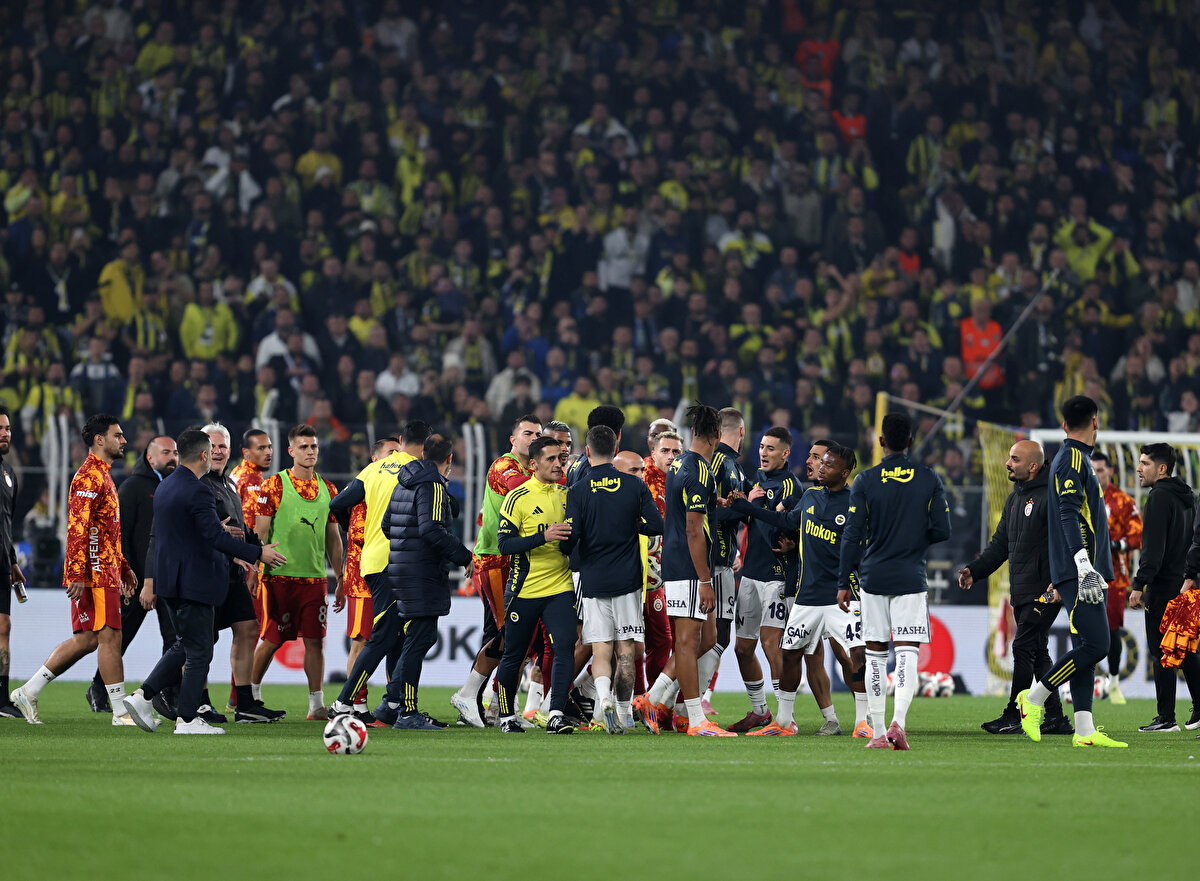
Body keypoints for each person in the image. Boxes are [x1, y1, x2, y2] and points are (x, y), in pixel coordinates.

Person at [123, 429, 284, 734]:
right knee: (199, 652)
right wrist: (258, 552)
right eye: (212, 450)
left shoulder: (167, 485)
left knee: (186, 645)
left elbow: (179, 533)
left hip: (171, 581)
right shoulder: (199, 490)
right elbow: (214, 537)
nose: (215, 455)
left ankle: (144, 696)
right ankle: (187, 718)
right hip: (193, 580)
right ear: (203, 455)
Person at [728, 444, 870, 737]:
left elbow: (860, 550)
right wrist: (747, 508)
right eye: (822, 463)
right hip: (806, 595)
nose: (821, 468)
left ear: (844, 473)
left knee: (855, 654)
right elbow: (784, 521)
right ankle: (783, 722)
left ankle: (864, 722)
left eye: (828, 465)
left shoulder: (856, 503)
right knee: (790, 654)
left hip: (842, 595)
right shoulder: (810, 496)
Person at [11, 414, 140, 726]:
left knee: (87, 640)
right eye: (117, 435)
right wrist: (77, 575)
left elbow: (106, 531)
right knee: (110, 636)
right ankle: (121, 711)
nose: (123, 440)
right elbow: (78, 529)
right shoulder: (89, 478)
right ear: (100, 440)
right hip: (94, 572)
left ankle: (29, 691)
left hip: (104, 568)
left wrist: (123, 567)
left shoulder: (105, 476)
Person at [1016, 395, 1125, 748]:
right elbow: (1066, 512)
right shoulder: (1072, 458)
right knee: (1098, 646)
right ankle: (1031, 700)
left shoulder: (1074, 459)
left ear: (1065, 424)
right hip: (1082, 571)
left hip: (1082, 569)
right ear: (1096, 421)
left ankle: (1084, 729)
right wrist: (1082, 566)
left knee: (1084, 647)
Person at [838, 412, 951, 750]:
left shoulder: (866, 481)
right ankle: (898, 724)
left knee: (875, 654)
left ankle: (876, 733)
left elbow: (852, 534)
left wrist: (844, 580)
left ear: (881, 441)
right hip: (910, 577)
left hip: (873, 577)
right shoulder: (929, 478)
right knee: (906, 654)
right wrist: (913, 538)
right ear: (911, 441)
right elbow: (942, 530)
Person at [959, 440, 1071, 736]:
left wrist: (1057, 582)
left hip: (1046, 589)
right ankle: (1056, 717)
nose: (1008, 463)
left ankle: (1015, 714)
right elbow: (1000, 547)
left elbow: (1066, 543)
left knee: (1023, 646)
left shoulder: (1052, 497)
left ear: (1033, 466)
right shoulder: (1014, 499)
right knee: (1037, 650)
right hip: (1022, 588)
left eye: (1015, 459)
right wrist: (975, 571)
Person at [562, 426, 663, 733]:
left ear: (588, 451)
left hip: (593, 578)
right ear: (616, 446)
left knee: (601, 648)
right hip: (628, 580)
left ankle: (602, 700)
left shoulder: (578, 490)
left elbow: (570, 539)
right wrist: (632, 523)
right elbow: (655, 524)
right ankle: (624, 713)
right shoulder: (634, 486)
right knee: (627, 650)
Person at [369, 435, 474, 729]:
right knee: (418, 640)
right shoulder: (434, 485)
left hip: (400, 569)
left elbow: (388, 525)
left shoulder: (404, 482)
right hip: (422, 572)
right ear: (449, 459)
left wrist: (406, 547)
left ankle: (391, 705)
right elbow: (431, 529)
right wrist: (464, 555)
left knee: (421, 637)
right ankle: (407, 712)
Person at [645, 403, 733, 736]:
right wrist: (706, 580)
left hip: (679, 559)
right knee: (687, 641)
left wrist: (718, 503)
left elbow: (688, 511)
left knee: (708, 638)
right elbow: (694, 529)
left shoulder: (679, 463)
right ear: (717, 435)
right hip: (689, 566)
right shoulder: (698, 469)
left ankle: (652, 699)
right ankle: (696, 719)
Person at [327, 428, 423, 722]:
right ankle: (353, 703)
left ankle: (393, 704)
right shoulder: (373, 488)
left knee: (394, 638)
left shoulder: (374, 484)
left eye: (398, 451)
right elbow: (343, 517)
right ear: (375, 456)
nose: (395, 458)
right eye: (389, 452)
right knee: (366, 639)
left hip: (376, 567)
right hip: (367, 574)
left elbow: (338, 507)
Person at [450, 414, 540, 727]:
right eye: (527, 433)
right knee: (511, 635)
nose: (533, 438)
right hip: (496, 559)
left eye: (537, 434)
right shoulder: (506, 467)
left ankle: (495, 706)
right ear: (513, 439)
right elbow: (524, 492)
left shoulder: (532, 469)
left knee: (509, 635)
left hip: (515, 559)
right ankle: (474, 696)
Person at [249, 424, 343, 720]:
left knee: (315, 642)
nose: (310, 451)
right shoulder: (274, 485)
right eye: (303, 447)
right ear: (291, 451)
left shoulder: (329, 489)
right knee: (272, 640)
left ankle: (316, 705)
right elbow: (259, 531)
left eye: (314, 446)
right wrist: (253, 567)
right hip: (278, 577)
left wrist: (340, 577)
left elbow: (334, 539)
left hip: (314, 580)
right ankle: (249, 696)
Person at [85, 436, 179, 714]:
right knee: (119, 639)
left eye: (175, 452)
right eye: (166, 453)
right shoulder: (133, 487)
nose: (173, 457)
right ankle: (98, 688)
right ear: (150, 458)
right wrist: (126, 574)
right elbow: (119, 535)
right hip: (136, 580)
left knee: (174, 639)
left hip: (168, 577)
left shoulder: (173, 487)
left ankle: (169, 693)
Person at [494, 436, 577, 734]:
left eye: (561, 458)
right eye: (551, 459)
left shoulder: (568, 495)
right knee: (514, 654)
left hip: (560, 587)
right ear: (533, 464)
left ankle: (554, 713)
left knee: (565, 647)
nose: (558, 464)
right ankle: (506, 716)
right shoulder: (517, 497)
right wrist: (544, 536)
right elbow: (504, 545)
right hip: (524, 589)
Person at [728, 426, 800, 732]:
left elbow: (775, 527)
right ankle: (760, 711)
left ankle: (787, 718)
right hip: (750, 575)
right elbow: (744, 517)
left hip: (777, 576)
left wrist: (750, 504)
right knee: (742, 648)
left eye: (771, 448)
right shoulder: (753, 479)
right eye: (761, 446)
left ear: (785, 453)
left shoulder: (790, 487)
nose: (763, 452)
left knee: (772, 643)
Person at [1129, 443, 1200, 732]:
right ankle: (1192, 711)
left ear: (1161, 469)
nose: (1138, 468)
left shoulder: (1158, 497)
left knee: (1162, 652)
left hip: (1162, 585)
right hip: (1183, 582)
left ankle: (1166, 717)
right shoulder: (1187, 496)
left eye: (1145, 463)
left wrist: (1139, 584)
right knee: (1182, 650)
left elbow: (1153, 549)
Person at [1091, 450, 1142, 705]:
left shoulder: (1123, 501)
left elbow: (1138, 535)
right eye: (1092, 470)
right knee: (1082, 628)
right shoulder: (1080, 498)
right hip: (1084, 573)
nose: (1096, 474)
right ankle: (1084, 681)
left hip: (1114, 577)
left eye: (1100, 470)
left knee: (1112, 630)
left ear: (1109, 471)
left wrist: (1116, 545)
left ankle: (1113, 683)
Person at [708, 408, 747, 708]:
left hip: (725, 559)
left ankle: (687, 699)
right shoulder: (719, 461)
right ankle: (682, 699)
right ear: (741, 432)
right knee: (716, 637)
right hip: (713, 560)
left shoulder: (735, 467)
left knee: (718, 637)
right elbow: (705, 512)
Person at [230, 428, 274, 624]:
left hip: (236, 557)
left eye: (269, 447)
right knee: (254, 627)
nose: (268, 452)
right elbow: (253, 530)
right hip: (249, 562)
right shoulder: (253, 480)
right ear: (246, 452)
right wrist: (254, 570)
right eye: (261, 448)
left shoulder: (237, 472)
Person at [0, 405, 24, 718]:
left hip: (1, 564)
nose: (4, 434)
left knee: (3, 626)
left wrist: (13, 560)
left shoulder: (8, 473)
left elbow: (7, 522)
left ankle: (2, 698)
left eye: (6, 428)